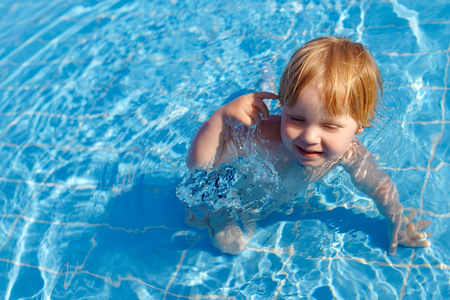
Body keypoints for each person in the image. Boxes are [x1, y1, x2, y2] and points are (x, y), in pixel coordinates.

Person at [184, 36, 432, 255]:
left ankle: (268, 84)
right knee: (218, 230)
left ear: (359, 127)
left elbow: (378, 185)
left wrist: (394, 217)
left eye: (330, 126)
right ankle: (267, 85)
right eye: (297, 119)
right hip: (233, 190)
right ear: (284, 108)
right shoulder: (263, 134)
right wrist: (220, 120)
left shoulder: (349, 153)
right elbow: (201, 166)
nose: (309, 136)